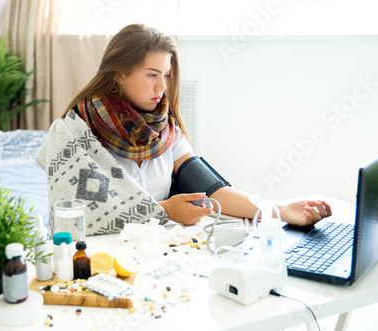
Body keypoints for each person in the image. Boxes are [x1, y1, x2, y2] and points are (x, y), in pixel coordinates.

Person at [43, 24, 331, 228]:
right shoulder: (75, 131)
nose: (162, 87)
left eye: (166, 75)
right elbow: (67, 218)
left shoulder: (168, 131)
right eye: (152, 74)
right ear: (119, 75)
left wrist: (277, 210)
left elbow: (212, 190)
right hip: (97, 259)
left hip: (157, 251)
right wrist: (162, 212)